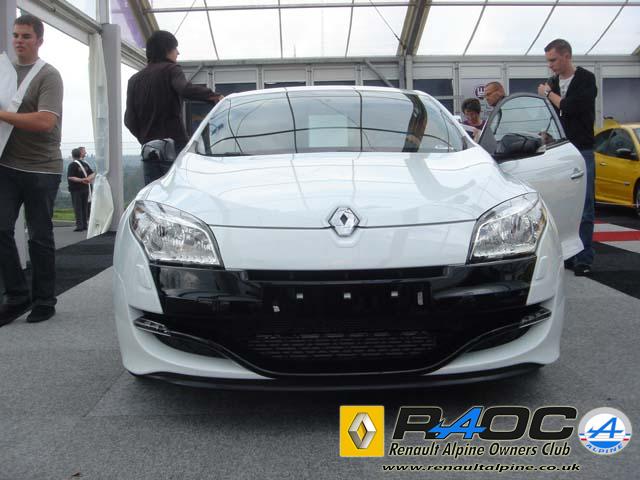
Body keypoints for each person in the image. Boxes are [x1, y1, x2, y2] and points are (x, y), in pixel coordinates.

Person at [0, 15, 63, 325]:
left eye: (26, 36)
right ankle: (16, 295)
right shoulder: (4, 73)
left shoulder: (49, 75)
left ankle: (44, 300)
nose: (19, 41)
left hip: (42, 168)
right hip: (6, 165)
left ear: (39, 40)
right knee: (1, 229)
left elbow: (45, 121)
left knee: (39, 236)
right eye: (15, 35)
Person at [124, 30, 223, 185]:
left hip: (149, 150)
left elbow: (129, 120)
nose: (178, 52)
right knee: (180, 191)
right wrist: (214, 97)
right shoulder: (171, 69)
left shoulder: (134, 80)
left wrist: (146, 139)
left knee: (154, 193)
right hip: (174, 146)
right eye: (175, 48)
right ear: (166, 50)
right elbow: (184, 89)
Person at [538, 39, 597, 276]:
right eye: (548, 61)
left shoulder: (585, 79)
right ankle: (568, 254)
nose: (550, 65)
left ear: (567, 56)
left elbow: (570, 107)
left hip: (582, 149)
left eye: (553, 60)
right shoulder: (552, 82)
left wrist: (548, 93)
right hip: (559, 150)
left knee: (585, 205)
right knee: (561, 203)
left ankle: (584, 257)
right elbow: (553, 115)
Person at [67, 146, 95, 232]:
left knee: (78, 207)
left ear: (72, 155)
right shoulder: (85, 164)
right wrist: (88, 179)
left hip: (76, 189)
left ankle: (79, 226)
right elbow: (93, 173)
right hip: (86, 189)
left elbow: (70, 177)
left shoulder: (72, 165)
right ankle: (85, 225)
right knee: (84, 206)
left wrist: (81, 180)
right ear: (80, 155)